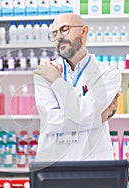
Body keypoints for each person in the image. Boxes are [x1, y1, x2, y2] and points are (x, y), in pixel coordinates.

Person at [33, 13, 122, 162]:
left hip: (93, 160)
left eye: (65, 29)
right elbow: (51, 123)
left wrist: (56, 80)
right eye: (54, 33)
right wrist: (99, 118)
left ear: (84, 31)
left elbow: (84, 113)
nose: (59, 37)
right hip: (54, 162)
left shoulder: (108, 74)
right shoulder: (44, 72)